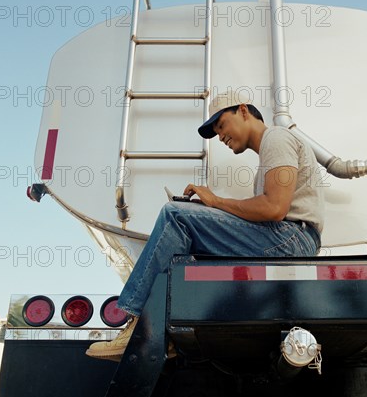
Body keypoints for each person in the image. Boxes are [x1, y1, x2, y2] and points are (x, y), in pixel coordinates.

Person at [86, 90, 324, 360]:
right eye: (216, 132)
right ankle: (166, 330)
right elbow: (264, 211)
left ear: (244, 111)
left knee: (175, 215)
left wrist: (215, 202)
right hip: (285, 239)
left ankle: (139, 323)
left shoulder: (277, 138)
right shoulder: (268, 154)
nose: (220, 136)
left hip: (292, 239)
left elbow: (274, 208)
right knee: (187, 241)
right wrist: (208, 211)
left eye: (221, 125)